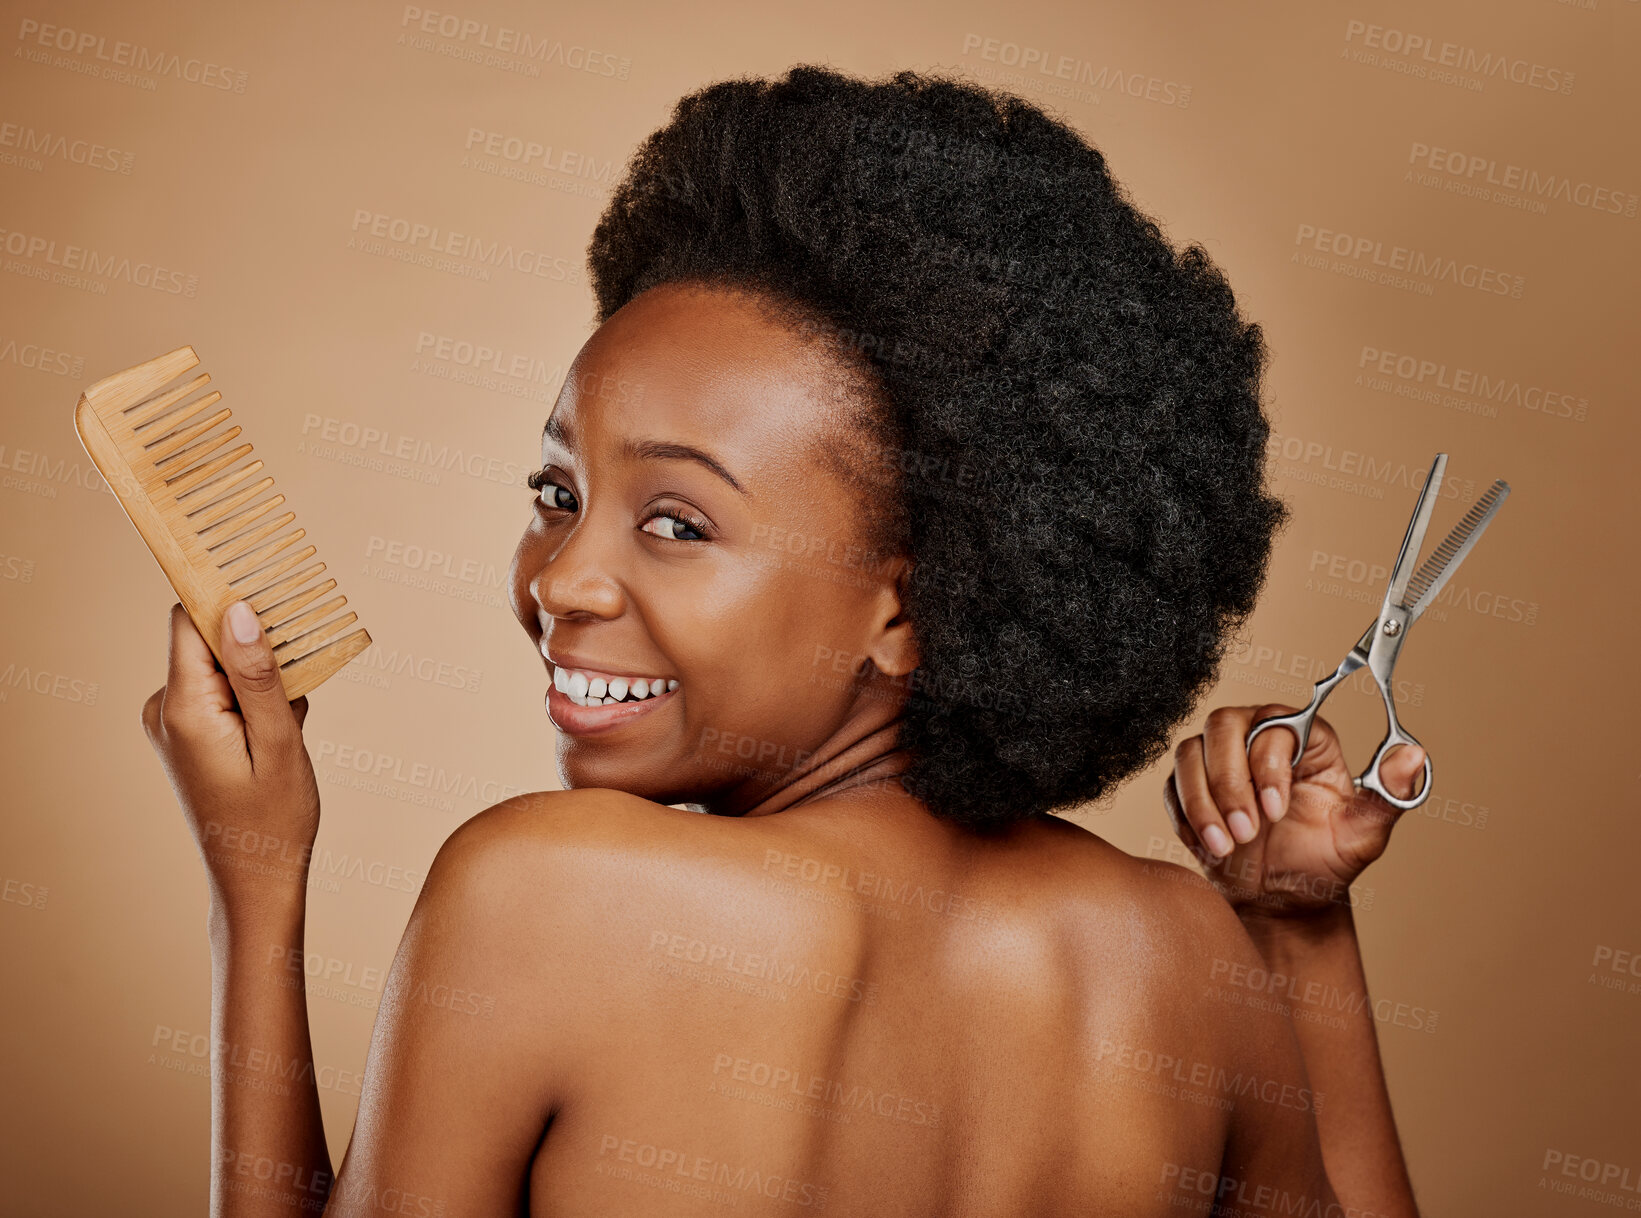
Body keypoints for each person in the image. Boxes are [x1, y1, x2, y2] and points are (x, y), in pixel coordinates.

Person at [141, 66, 1426, 1216]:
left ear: (908, 606)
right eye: (557, 495)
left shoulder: (547, 894)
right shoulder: (1195, 966)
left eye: (681, 523)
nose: (564, 582)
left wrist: (256, 891)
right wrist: (1301, 931)